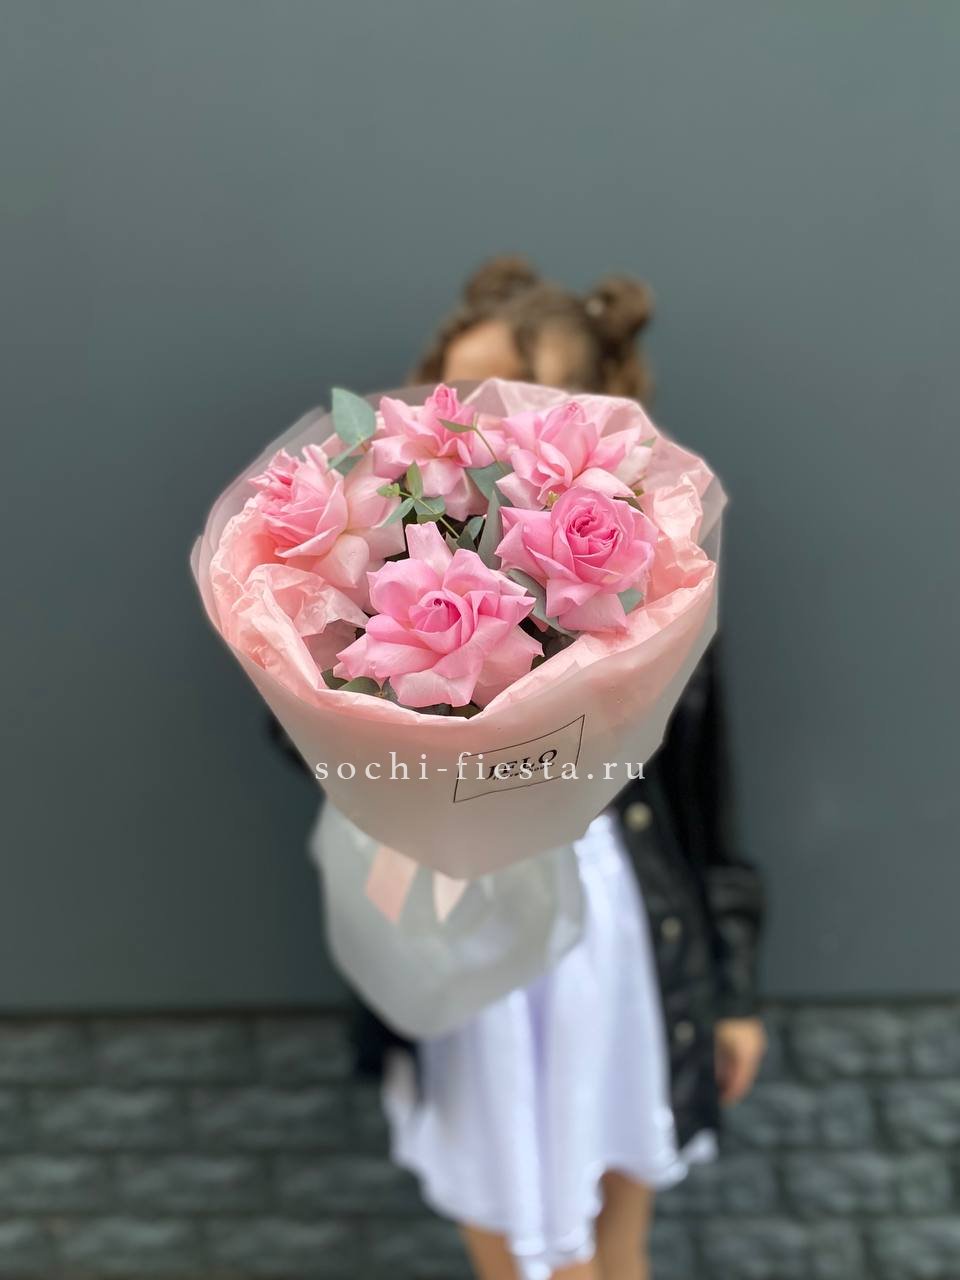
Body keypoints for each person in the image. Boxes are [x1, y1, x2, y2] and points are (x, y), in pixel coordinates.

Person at [278, 257, 767, 1279]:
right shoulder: (382, 548)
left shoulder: (660, 571)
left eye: (503, 394)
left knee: (616, 1246)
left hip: (615, 921)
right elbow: (303, 743)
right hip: (464, 922)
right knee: (518, 1251)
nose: (468, 422)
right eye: (450, 392)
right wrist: (379, 683)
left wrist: (733, 989)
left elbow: (703, 796)